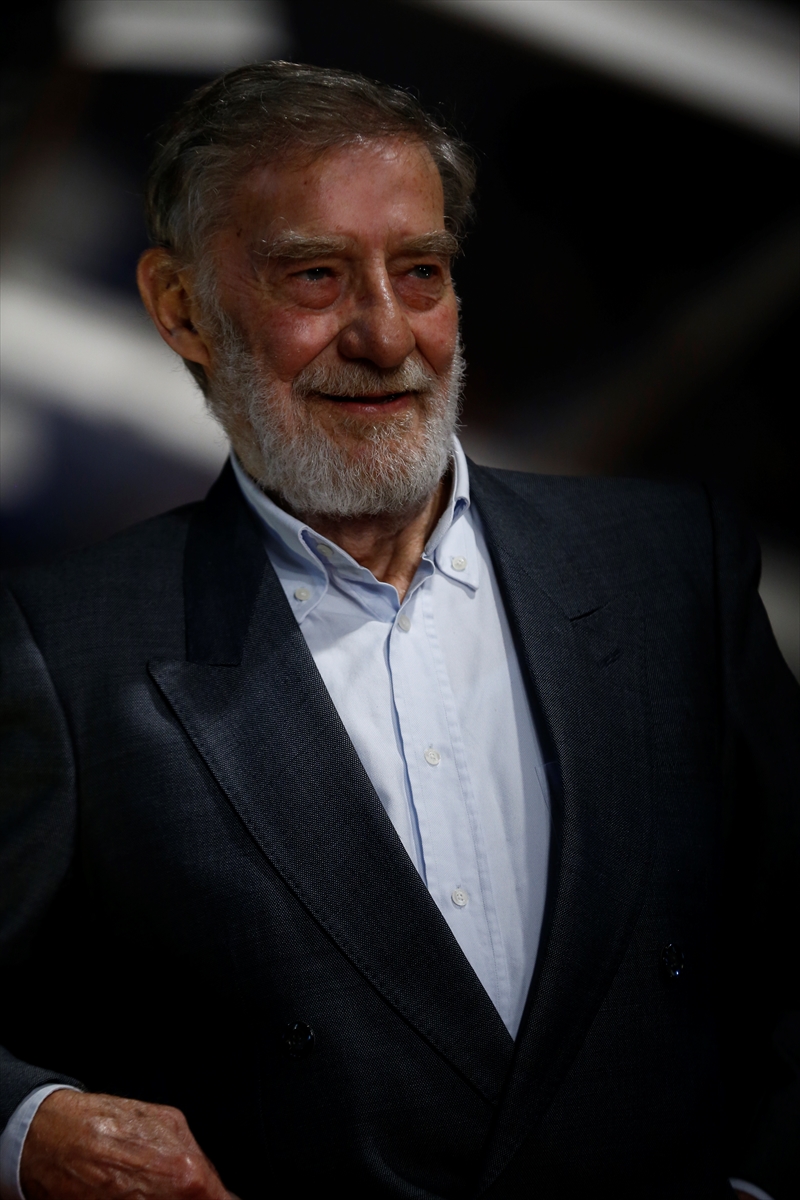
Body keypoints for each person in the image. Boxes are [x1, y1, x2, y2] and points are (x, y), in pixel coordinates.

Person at [0, 61, 797, 1200]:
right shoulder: (65, 649)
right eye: (315, 276)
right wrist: (30, 1131)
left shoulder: (669, 569)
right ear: (180, 307)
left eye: (419, 271)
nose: (385, 335)